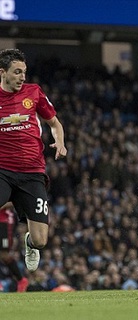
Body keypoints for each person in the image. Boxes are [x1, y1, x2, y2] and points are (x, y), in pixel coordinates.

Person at [0, 49, 67, 273]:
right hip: (3, 170)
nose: (22, 77)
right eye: (17, 72)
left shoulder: (34, 93)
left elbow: (55, 124)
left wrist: (60, 142)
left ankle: (29, 243)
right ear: (3, 73)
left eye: (24, 72)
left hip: (32, 173)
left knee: (41, 241)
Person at [0, 203, 29, 292]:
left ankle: (21, 280)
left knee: (4, 254)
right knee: (3, 255)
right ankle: (21, 280)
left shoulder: (6, 189)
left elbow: (13, 200)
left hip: (3, 222)